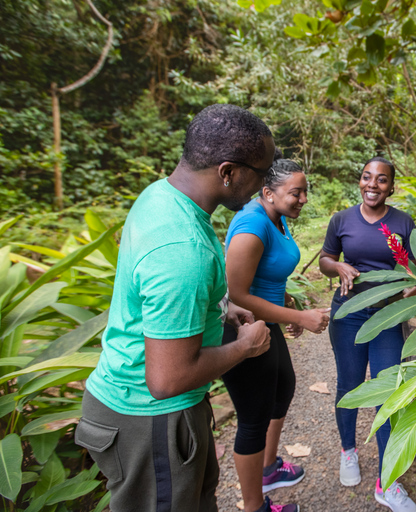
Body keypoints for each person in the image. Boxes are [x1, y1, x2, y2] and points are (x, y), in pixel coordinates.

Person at [76, 104, 275, 512]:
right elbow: (167, 378)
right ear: (228, 172)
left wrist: (220, 309)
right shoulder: (183, 250)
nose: (261, 188)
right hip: (151, 418)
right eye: (260, 172)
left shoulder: (162, 197)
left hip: (137, 408)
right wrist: (245, 347)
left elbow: (160, 299)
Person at [223, 159, 331, 512]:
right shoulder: (252, 226)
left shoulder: (277, 216)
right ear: (268, 193)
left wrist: (287, 302)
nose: (302, 199)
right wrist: (299, 315)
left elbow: (265, 274)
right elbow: (237, 293)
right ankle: (255, 506)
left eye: (304, 192)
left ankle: (268, 469)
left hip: (267, 322)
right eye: (295, 193)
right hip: (244, 331)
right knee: (254, 418)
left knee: (282, 390)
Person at [319, 157, 416, 512]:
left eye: (381, 180)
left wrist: (411, 291)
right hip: (347, 314)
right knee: (349, 384)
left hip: (387, 316)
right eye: (367, 178)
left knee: (387, 392)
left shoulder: (403, 222)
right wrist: (338, 265)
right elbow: (324, 259)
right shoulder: (342, 220)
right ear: (359, 182)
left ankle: (387, 482)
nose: (372, 185)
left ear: (391, 186)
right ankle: (349, 451)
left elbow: (413, 267)